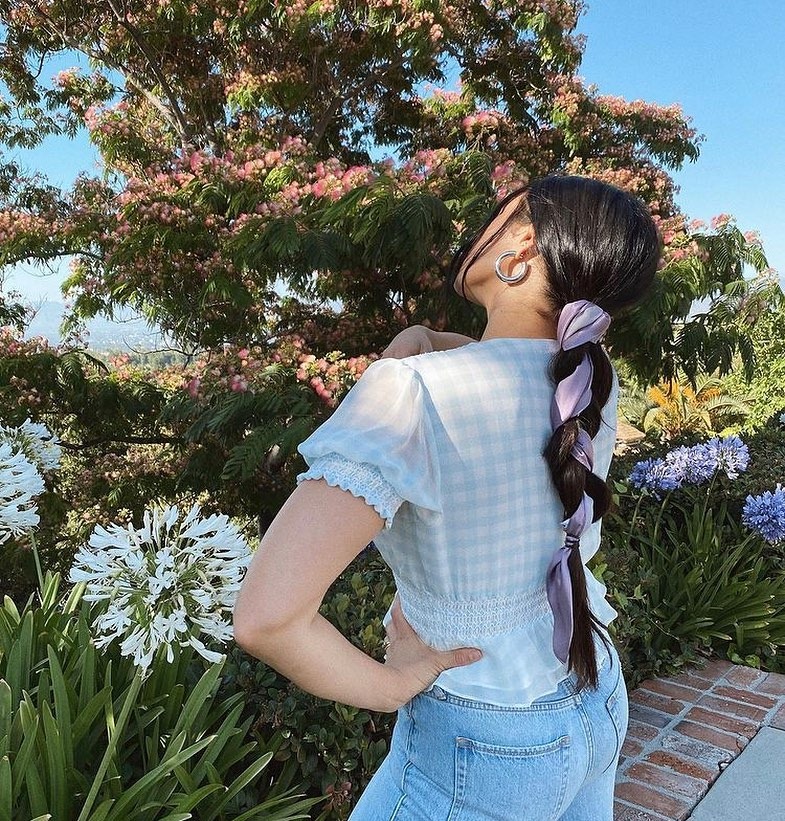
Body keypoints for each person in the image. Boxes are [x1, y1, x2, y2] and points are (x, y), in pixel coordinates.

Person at [233, 174, 661, 820]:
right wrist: (421, 342)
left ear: (519, 247)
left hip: (480, 741)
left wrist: (392, 686)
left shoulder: (411, 394)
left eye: (498, 215)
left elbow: (265, 618)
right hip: (595, 700)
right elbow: (506, 364)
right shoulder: (590, 385)